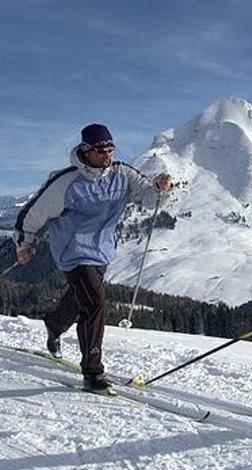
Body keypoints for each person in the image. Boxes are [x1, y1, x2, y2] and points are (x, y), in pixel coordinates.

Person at [13, 124, 172, 392]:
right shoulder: (65, 181)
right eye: (100, 151)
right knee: (95, 303)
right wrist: (24, 244)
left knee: (81, 298)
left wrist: (159, 188)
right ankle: (92, 372)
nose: (106, 155)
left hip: (101, 250)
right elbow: (33, 213)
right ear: (85, 150)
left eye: (110, 149)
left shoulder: (122, 174)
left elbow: (146, 197)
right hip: (72, 250)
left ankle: (54, 324)